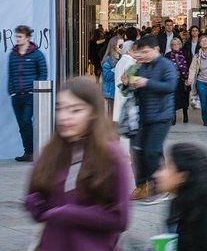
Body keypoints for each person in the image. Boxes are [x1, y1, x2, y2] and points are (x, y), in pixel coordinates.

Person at [24, 76, 130, 249]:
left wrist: (68, 213)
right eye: (60, 109)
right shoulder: (50, 152)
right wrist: (34, 203)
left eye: (75, 110)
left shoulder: (111, 154)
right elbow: (36, 201)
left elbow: (120, 218)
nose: (64, 117)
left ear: (93, 112)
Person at [154, 141, 207, 250]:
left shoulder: (205, 219)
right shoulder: (178, 205)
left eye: (166, 167)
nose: (158, 174)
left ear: (182, 176)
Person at [128, 35, 178, 201]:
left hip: (161, 116)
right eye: (141, 52)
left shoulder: (166, 65)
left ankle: (159, 187)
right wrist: (130, 83)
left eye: (146, 51)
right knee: (139, 151)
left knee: (151, 151)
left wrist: (146, 83)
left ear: (156, 49)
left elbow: (171, 86)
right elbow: (126, 87)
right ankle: (144, 186)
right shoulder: (140, 66)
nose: (143, 55)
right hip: (143, 116)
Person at [7, 23, 48, 162]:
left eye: (20, 36)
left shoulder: (36, 54)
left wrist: (36, 91)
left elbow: (43, 73)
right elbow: (11, 74)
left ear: (27, 38)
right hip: (16, 96)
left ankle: (33, 152)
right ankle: (28, 152)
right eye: (16, 36)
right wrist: (11, 91)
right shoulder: (13, 55)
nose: (17, 39)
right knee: (22, 125)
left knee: (26, 122)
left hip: (30, 94)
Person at [166, 36, 190, 124]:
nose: (175, 46)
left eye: (177, 44)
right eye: (173, 44)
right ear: (171, 46)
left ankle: (185, 114)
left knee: (184, 97)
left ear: (180, 45)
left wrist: (188, 78)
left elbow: (190, 65)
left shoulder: (185, 54)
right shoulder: (168, 55)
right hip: (172, 80)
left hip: (183, 79)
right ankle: (173, 116)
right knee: (173, 98)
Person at [101, 35, 123, 118]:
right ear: (114, 46)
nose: (122, 48)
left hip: (119, 93)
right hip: (111, 94)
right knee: (111, 118)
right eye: (120, 46)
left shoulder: (122, 58)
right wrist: (118, 69)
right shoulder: (108, 60)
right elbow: (106, 76)